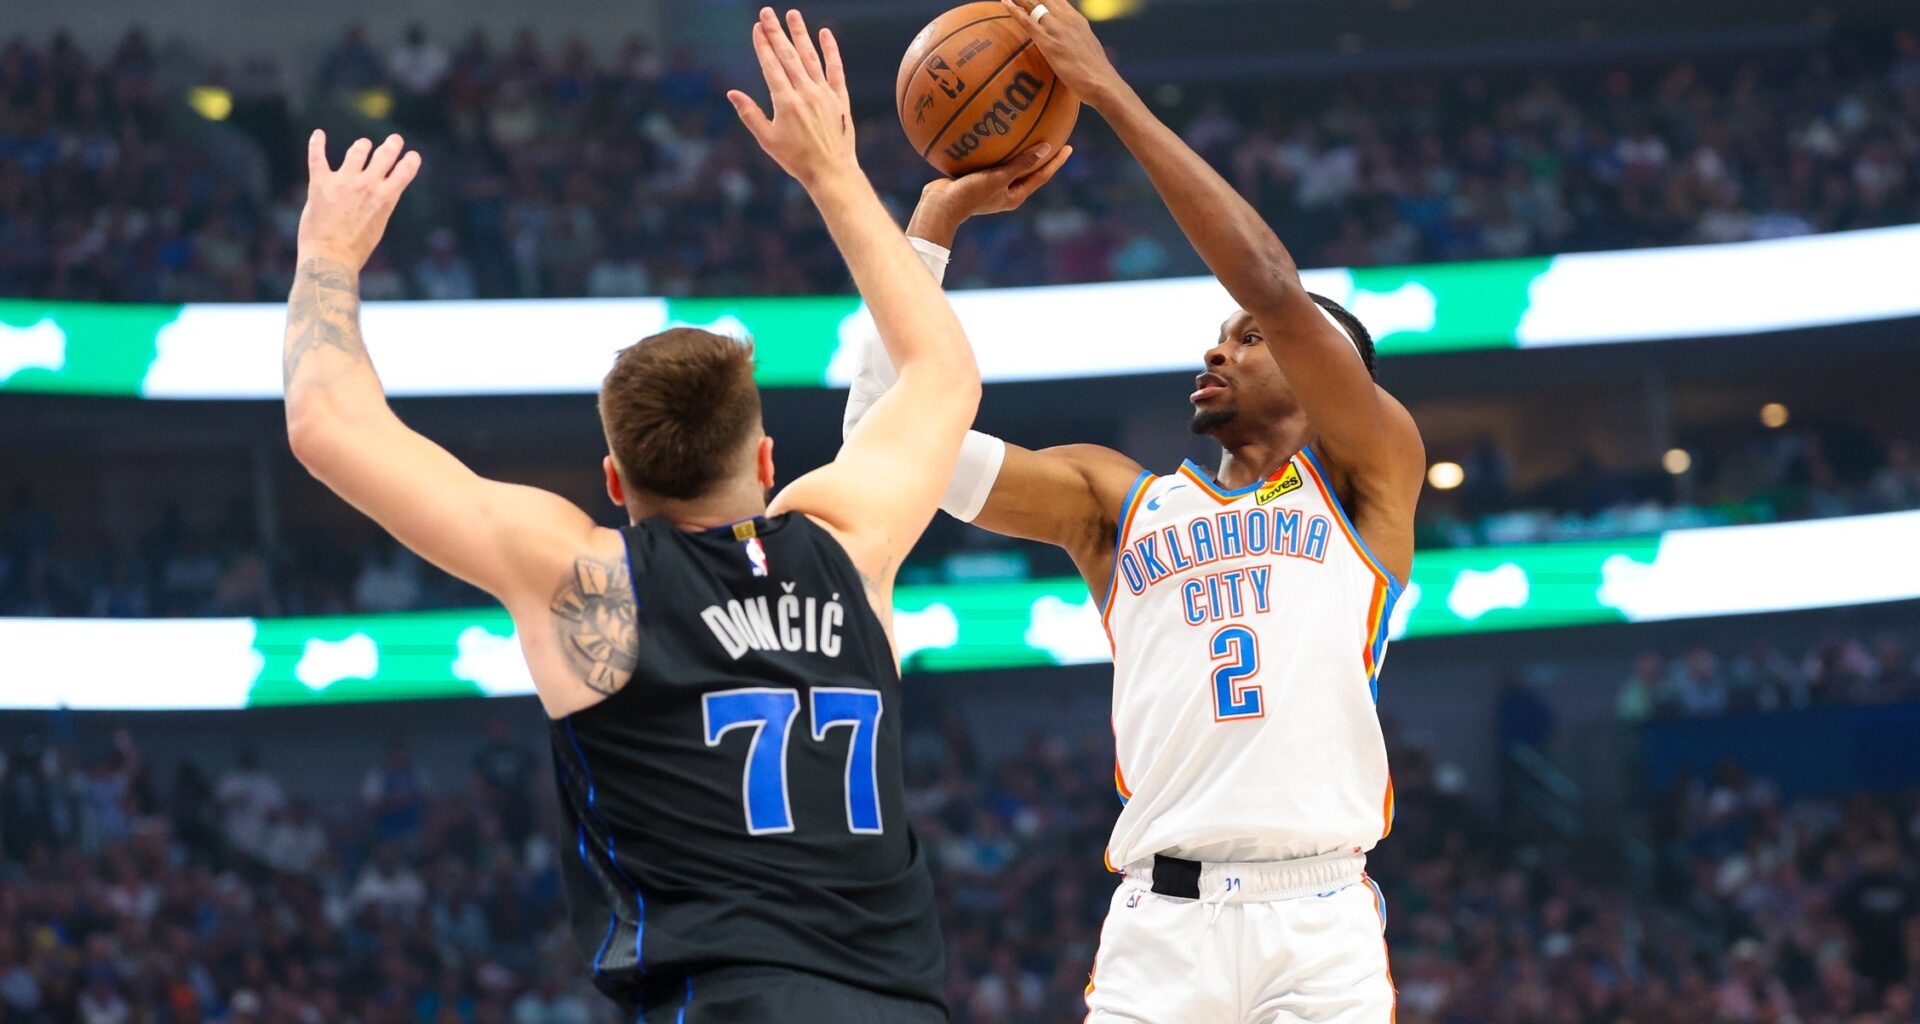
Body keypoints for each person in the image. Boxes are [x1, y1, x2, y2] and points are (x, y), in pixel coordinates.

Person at [280, 8, 983, 1020]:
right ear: (769, 457)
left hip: (725, 1002)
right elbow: (944, 372)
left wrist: (327, 254)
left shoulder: (589, 579)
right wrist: (832, 172)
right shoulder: (846, 541)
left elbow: (325, 421)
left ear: (614, 482)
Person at [846, 2, 1425, 1019]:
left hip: (1320, 913)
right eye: (1219, 333)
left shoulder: (1366, 477)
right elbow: (882, 442)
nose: (1218, 347)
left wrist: (1106, 90)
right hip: (1161, 924)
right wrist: (931, 228)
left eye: (1246, 339)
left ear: (1325, 375)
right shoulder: (1119, 503)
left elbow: (1276, 283)